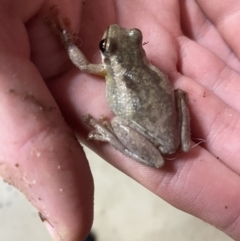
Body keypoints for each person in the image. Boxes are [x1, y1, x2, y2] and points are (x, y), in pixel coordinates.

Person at [1, 0, 240, 240]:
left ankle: (110, 136)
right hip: (169, 125)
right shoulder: (143, 67)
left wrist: (67, 42)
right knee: (175, 113)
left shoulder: (106, 69)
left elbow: (82, 64)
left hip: (149, 128)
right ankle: (170, 130)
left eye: (105, 46)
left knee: (116, 123)